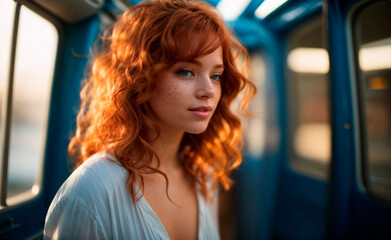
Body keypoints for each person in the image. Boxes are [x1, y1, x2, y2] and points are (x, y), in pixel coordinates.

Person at [44, 0, 256, 239]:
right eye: (186, 71)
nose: (208, 90)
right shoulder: (90, 192)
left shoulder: (203, 175)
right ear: (141, 76)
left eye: (216, 75)